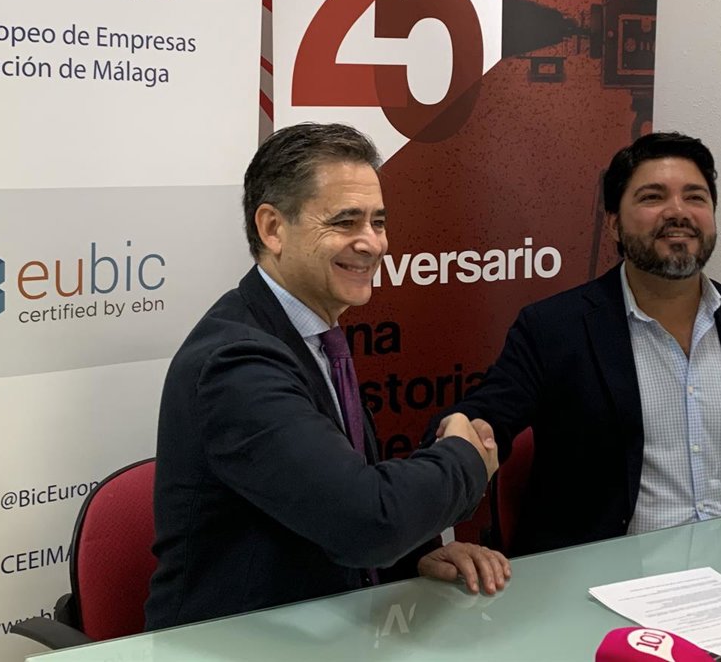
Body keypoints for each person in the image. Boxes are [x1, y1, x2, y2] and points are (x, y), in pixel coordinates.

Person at [429, 131, 721, 557]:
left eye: (695, 197)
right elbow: (484, 421)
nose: (678, 212)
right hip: (603, 581)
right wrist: (462, 436)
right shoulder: (553, 329)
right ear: (614, 224)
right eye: (652, 197)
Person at [145, 123, 509, 629]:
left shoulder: (312, 335)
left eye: (378, 222)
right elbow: (365, 522)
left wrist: (413, 557)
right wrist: (467, 457)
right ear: (273, 228)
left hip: (323, 626)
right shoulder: (236, 365)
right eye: (345, 221)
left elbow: (330, 499)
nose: (372, 243)